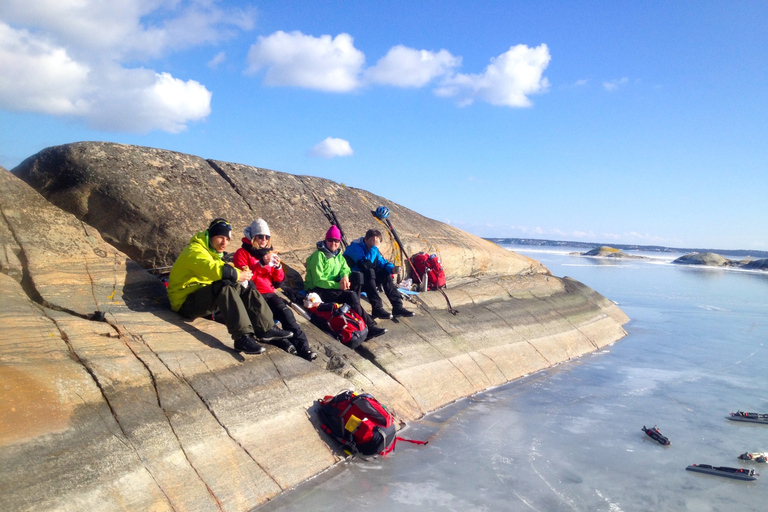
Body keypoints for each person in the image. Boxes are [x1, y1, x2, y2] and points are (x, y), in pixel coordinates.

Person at [167, 218, 293, 354]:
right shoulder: (194, 250)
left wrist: (241, 277)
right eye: (220, 237)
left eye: (227, 239)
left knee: (244, 285)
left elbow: (223, 268)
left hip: (200, 298)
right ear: (211, 235)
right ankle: (242, 337)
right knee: (224, 285)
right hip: (184, 303)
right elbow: (213, 269)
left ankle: (266, 328)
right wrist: (238, 274)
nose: (224, 243)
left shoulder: (213, 252)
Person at [233, 219, 318, 361]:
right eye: (260, 236)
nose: (264, 240)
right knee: (266, 319)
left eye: (267, 237)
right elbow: (245, 277)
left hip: (269, 292)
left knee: (286, 314)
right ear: (253, 237)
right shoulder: (241, 253)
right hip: (252, 294)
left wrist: (278, 267)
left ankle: (304, 348)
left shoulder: (269, 253)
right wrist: (260, 264)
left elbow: (278, 282)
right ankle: (284, 343)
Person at [305, 226, 387, 340]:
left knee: (357, 277)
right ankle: (369, 325)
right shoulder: (318, 256)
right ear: (325, 240)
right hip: (317, 290)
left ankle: (360, 317)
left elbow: (346, 269)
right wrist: (339, 285)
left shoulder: (338, 255)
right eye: (330, 240)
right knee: (350, 296)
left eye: (336, 241)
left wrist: (344, 277)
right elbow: (318, 281)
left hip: (332, 287)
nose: (333, 243)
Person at [344, 229, 414, 320]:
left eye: (377, 242)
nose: (375, 244)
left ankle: (397, 307)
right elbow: (365, 265)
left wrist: (392, 269)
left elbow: (383, 262)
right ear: (365, 239)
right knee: (369, 271)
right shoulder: (355, 248)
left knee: (385, 273)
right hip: (352, 280)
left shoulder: (373, 250)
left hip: (366, 280)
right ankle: (377, 308)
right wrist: (374, 248)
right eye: (373, 241)